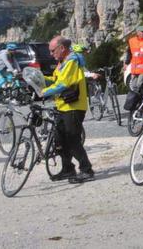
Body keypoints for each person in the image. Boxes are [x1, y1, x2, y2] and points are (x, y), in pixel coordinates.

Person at [41, 36, 94, 183]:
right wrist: (40, 78)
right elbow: (56, 80)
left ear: (62, 48)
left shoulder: (71, 61)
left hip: (74, 106)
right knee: (60, 139)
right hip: (63, 105)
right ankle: (68, 169)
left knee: (72, 139)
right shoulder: (62, 62)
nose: (51, 54)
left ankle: (86, 169)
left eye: (53, 51)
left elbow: (63, 84)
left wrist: (44, 92)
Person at [123, 25, 143, 114]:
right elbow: (129, 54)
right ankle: (137, 103)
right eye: (142, 31)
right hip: (134, 70)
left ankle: (141, 104)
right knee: (133, 87)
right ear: (137, 32)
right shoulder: (132, 41)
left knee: (138, 85)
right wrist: (126, 63)